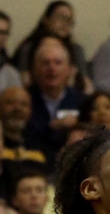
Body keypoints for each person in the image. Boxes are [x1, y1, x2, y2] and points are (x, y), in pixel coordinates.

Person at [24, 36, 83, 171]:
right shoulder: (23, 100)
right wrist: (51, 126)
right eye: (46, 63)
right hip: (32, 168)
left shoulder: (82, 100)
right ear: (34, 68)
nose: (51, 68)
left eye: (57, 63)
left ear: (68, 69)